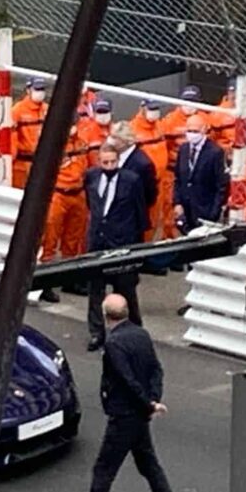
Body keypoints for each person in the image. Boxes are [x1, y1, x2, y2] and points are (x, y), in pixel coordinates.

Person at [54, 294, 180, 492]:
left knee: (104, 470)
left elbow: (126, 379)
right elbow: (156, 369)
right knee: (149, 465)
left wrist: (147, 403)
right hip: (140, 415)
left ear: (105, 315)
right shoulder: (141, 334)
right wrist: (153, 400)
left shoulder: (114, 344)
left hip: (124, 416)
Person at [85, 144, 147, 351]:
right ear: (99, 161)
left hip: (122, 243)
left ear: (118, 161)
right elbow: (91, 205)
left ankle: (134, 331)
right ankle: (96, 333)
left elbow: (140, 213)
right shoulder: (91, 177)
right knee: (95, 291)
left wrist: (136, 247)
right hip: (98, 242)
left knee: (126, 290)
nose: (109, 166)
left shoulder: (132, 180)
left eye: (113, 162)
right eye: (105, 162)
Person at [39, 117, 89, 303]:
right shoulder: (53, 144)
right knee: (50, 239)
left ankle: (69, 279)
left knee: (73, 240)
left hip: (78, 194)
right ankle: (45, 283)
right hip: (57, 194)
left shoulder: (82, 143)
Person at [173, 114, 228, 233]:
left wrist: (214, 213)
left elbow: (221, 186)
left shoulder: (215, 152)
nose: (192, 134)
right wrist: (177, 203)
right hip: (185, 211)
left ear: (204, 130)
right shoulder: (184, 149)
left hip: (205, 211)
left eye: (195, 131)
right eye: (189, 131)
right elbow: (178, 179)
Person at [159, 89, 201, 239]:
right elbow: (164, 147)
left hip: (196, 174)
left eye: (193, 101)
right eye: (186, 101)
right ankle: (170, 242)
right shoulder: (169, 121)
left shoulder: (204, 119)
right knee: (171, 211)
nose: (189, 105)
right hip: (173, 172)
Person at [130, 99, 168, 241]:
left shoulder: (160, 126)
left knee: (157, 219)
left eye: (156, 109)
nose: (154, 112)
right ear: (142, 108)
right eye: (151, 109)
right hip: (141, 184)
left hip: (160, 181)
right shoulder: (133, 129)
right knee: (142, 220)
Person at [110, 121, 158, 214]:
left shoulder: (142, 164)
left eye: (115, 138)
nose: (111, 141)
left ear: (125, 140)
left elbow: (150, 196)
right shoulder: (114, 156)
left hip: (131, 217)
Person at [11, 77, 49, 188]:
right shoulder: (18, 110)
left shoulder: (47, 109)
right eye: (37, 89)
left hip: (41, 161)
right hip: (22, 161)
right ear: (28, 90)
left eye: (42, 89)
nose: (40, 92)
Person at [208, 78, 238, 157]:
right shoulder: (217, 113)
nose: (234, 94)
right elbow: (212, 140)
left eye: (237, 91)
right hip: (224, 154)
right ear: (228, 92)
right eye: (232, 91)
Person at [79, 97, 112, 168]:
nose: (103, 115)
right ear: (94, 113)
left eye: (105, 112)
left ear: (111, 113)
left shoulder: (115, 130)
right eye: (99, 112)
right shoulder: (86, 132)